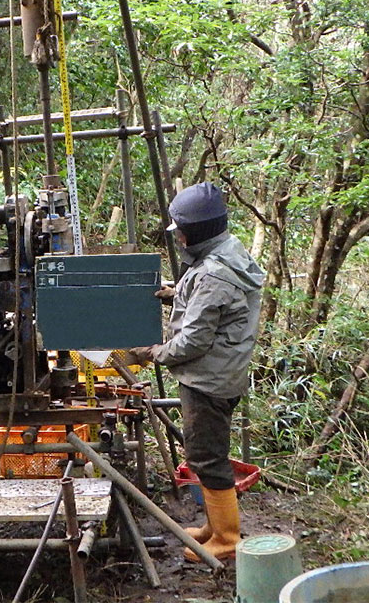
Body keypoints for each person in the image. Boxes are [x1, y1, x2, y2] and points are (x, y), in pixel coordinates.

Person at [127, 181, 264, 562]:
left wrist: (152, 352)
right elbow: (217, 299)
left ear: (198, 232)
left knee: (207, 457)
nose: (180, 238)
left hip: (209, 380)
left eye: (183, 231)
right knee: (206, 453)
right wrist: (178, 292)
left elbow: (192, 343)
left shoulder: (213, 275)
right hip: (221, 372)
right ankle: (214, 526)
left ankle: (227, 539)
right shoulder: (225, 251)